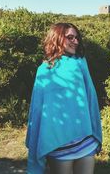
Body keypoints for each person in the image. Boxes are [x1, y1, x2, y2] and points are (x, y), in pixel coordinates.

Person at [25, 23, 102, 174]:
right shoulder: (44, 70)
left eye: (77, 37)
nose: (76, 41)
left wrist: (96, 132)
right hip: (58, 143)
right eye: (70, 37)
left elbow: (90, 97)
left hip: (85, 140)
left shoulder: (80, 62)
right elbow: (37, 108)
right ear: (57, 38)